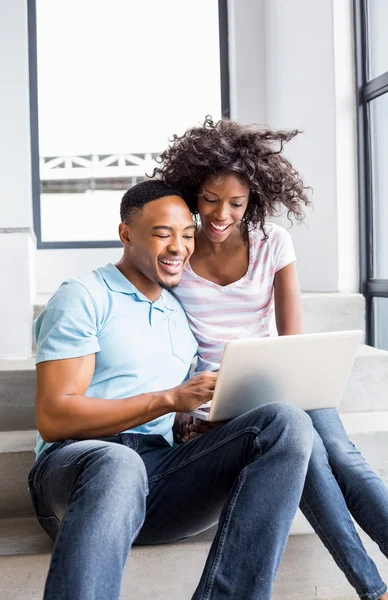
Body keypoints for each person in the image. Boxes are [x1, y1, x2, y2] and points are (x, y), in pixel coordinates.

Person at [28, 179, 314, 600]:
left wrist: (196, 420)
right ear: (126, 234)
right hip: (77, 474)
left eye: (186, 234)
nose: (179, 247)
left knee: (286, 422)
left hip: (158, 477)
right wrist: (169, 399)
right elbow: (54, 418)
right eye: (163, 234)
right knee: (118, 461)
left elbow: (178, 409)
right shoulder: (85, 296)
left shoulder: (179, 314)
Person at [155, 116, 388, 600]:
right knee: (313, 467)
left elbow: (293, 342)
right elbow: (168, 346)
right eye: (210, 200)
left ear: (253, 200)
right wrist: (183, 411)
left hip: (283, 377)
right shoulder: (178, 254)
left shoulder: (272, 243)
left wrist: (293, 383)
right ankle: (373, 589)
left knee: (344, 458)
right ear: (192, 193)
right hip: (222, 395)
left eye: (236, 204)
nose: (221, 215)